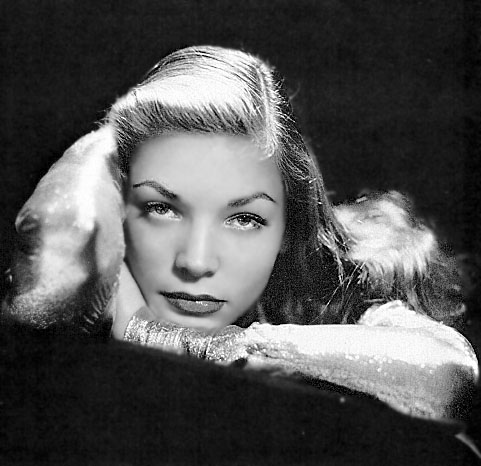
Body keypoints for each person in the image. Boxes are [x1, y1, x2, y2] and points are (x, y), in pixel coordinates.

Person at [2, 46, 478, 426]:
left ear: (290, 225)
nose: (196, 261)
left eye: (243, 219)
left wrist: (176, 339)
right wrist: (108, 143)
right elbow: (65, 237)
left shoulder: (343, 283)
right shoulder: (100, 266)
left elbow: (450, 376)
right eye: (163, 209)